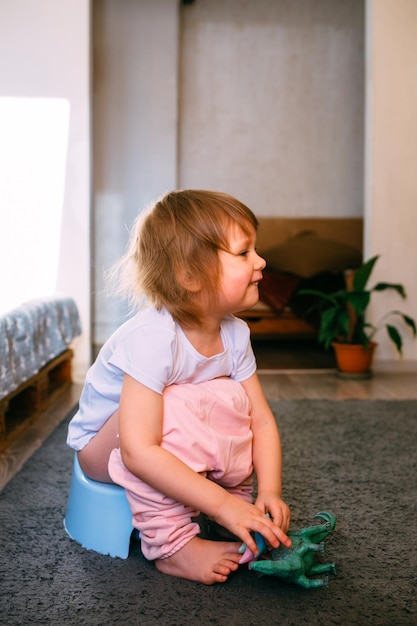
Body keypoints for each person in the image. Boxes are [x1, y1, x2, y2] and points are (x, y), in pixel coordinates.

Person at [67, 189, 291, 585]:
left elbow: (262, 423)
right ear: (189, 276)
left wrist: (268, 491)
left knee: (232, 398)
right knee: (179, 401)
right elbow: (138, 451)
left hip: (158, 439)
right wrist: (220, 506)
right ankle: (173, 546)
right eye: (243, 253)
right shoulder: (154, 337)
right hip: (107, 451)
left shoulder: (235, 334)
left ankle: (235, 505)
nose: (261, 261)